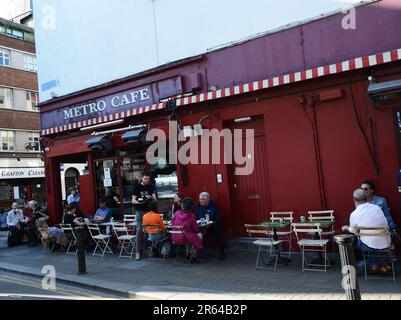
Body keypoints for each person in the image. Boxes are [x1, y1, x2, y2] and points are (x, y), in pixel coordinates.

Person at [342, 189, 392, 274]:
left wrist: (346, 227)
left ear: (354, 199)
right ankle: (376, 265)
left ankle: (370, 266)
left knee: (359, 241)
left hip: (368, 245)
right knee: (372, 240)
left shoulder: (354, 213)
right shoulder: (377, 208)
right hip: (386, 242)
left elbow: (353, 231)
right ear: (366, 198)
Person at [132, 175, 157, 260]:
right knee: (139, 230)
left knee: (148, 230)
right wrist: (140, 202)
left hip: (148, 211)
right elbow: (133, 200)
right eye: (145, 178)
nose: (146, 180)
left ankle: (145, 249)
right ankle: (138, 252)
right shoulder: (137, 187)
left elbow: (155, 200)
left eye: (148, 179)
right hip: (139, 211)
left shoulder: (151, 187)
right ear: (141, 178)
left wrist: (152, 197)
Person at [195, 192, 226, 260]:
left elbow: (218, 218)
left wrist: (212, 222)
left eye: (203, 199)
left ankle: (221, 253)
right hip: (201, 225)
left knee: (217, 232)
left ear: (208, 199)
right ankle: (197, 253)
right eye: (200, 199)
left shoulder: (213, 206)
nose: (201, 201)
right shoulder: (198, 206)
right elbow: (195, 216)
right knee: (194, 232)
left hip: (212, 225)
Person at [172, 197, 203, 262]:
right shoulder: (192, 215)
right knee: (199, 235)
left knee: (188, 236)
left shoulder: (176, 213)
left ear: (182, 205)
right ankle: (193, 255)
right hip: (184, 238)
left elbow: (173, 223)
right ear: (191, 207)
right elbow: (196, 230)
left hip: (174, 238)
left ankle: (187, 255)